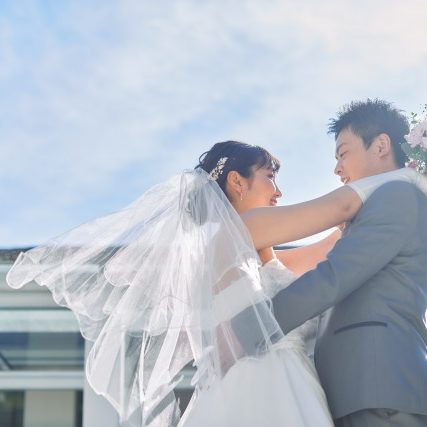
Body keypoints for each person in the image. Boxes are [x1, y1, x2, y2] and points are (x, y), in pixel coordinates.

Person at [6, 138, 419, 427]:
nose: (278, 191)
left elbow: (321, 252)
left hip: (282, 378)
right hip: (264, 385)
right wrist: (396, 180)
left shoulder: (248, 248)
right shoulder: (234, 235)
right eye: (269, 177)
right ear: (237, 182)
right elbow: (336, 210)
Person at [233, 99, 427, 427]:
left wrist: (247, 330)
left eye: (343, 153)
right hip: (357, 389)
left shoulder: (399, 194)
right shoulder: (380, 203)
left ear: (381, 145)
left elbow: (335, 277)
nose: (337, 168)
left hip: (380, 387)